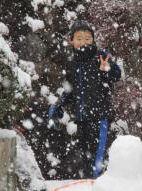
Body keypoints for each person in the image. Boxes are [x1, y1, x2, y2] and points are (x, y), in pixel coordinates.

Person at [48, 20, 121, 179]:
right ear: (71, 40)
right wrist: (58, 105)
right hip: (82, 119)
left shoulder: (100, 57)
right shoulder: (72, 63)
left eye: (88, 38)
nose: (84, 41)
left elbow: (116, 75)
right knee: (86, 159)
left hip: (100, 117)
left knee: (99, 160)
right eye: (79, 38)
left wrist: (107, 70)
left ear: (93, 40)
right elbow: (70, 90)